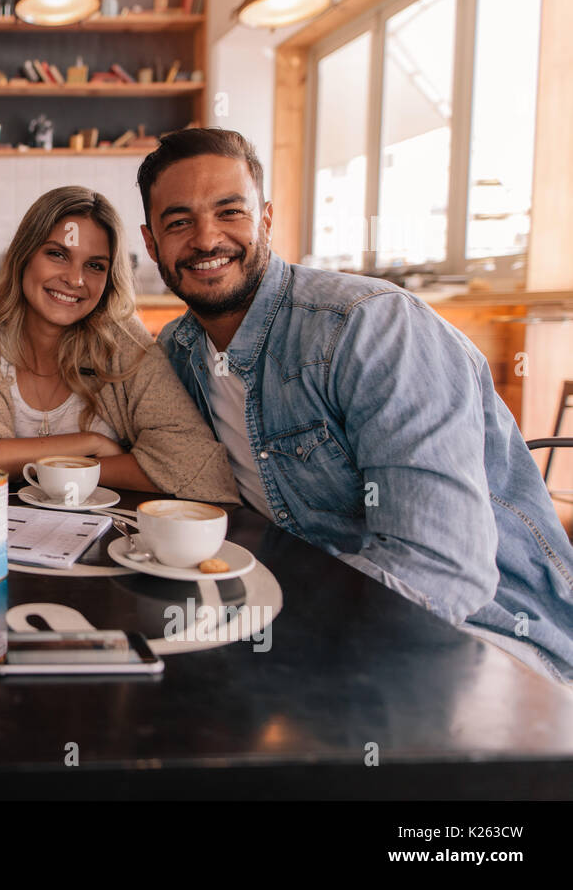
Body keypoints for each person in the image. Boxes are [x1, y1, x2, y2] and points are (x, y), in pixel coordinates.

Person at [138, 126, 573, 685]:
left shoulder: (370, 328)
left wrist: (272, 637)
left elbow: (438, 570)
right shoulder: (178, 350)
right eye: (179, 222)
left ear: (266, 219)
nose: (206, 239)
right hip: (294, 616)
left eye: (230, 212)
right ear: (152, 245)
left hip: (482, 638)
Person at [0, 186, 238, 505]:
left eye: (95, 265)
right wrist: (86, 443)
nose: (75, 279)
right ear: (23, 256)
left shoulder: (123, 344)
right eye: (57, 254)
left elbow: (199, 469)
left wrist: (79, 467)